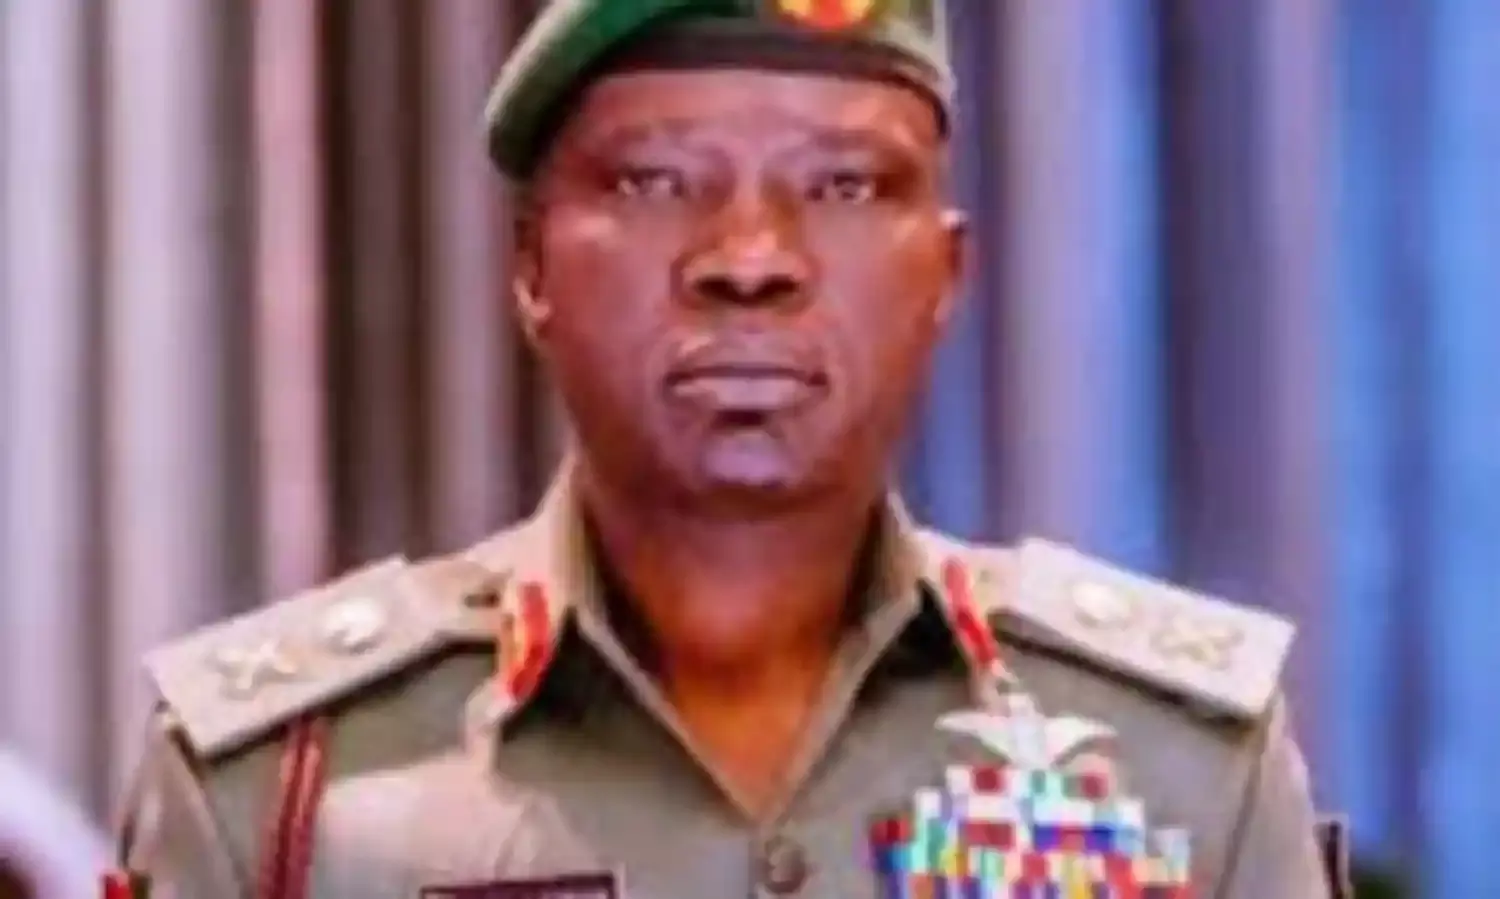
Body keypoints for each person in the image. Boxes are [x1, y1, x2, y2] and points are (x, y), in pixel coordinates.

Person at [113, 1, 1334, 896]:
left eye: (845, 185)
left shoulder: (1180, 762)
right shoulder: (290, 788)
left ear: (946, 271)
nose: (751, 258)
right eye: (654, 180)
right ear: (531, 266)